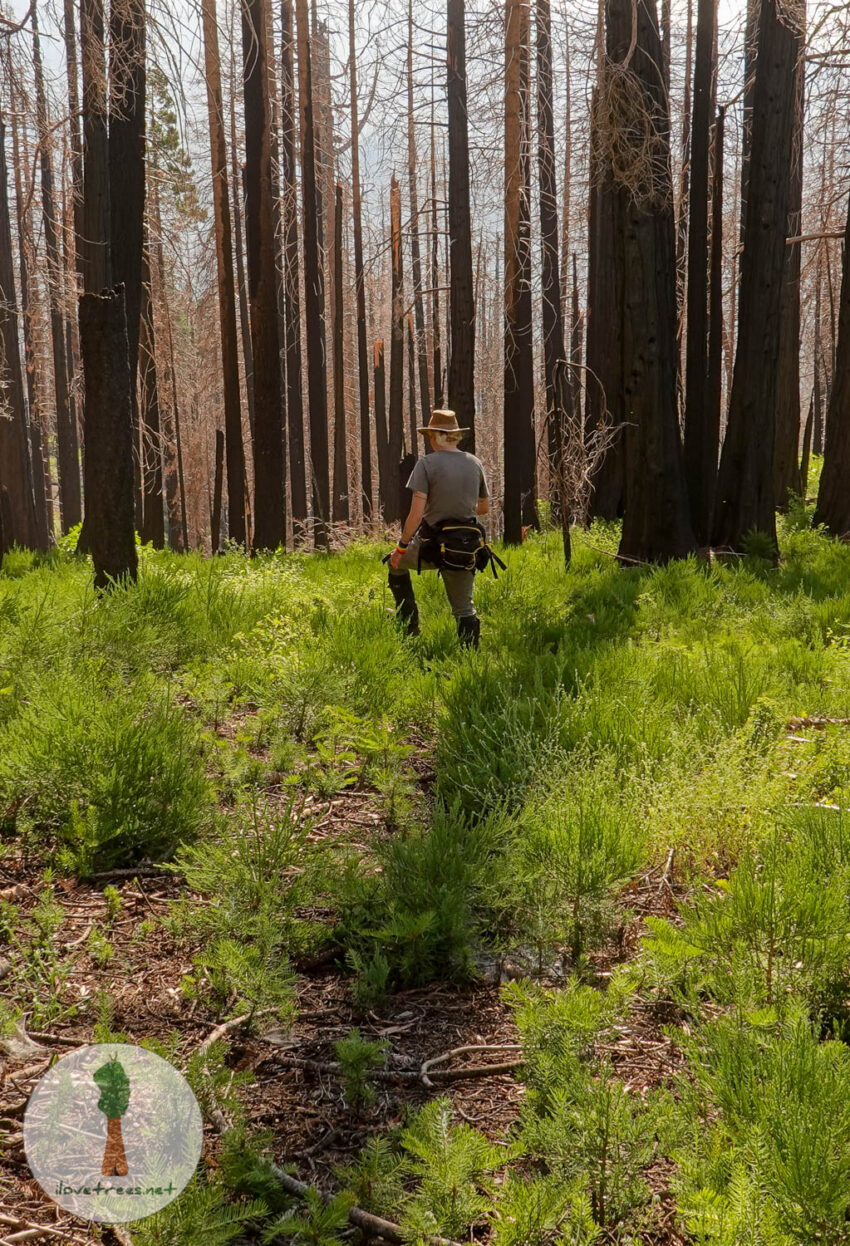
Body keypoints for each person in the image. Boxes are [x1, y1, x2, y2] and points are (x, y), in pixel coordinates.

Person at [387, 409, 489, 648]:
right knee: (464, 608)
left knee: (396, 565)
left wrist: (401, 547)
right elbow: (483, 508)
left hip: (430, 547)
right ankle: (469, 661)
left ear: (435, 436)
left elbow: (416, 514)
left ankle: (409, 627)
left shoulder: (426, 464)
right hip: (464, 548)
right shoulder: (474, 463)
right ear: (455, 436)